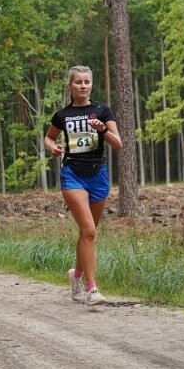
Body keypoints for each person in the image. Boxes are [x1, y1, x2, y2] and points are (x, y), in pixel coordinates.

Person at [44, 65, 122, 306]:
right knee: (88, 230)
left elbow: (118, 144)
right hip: (73, 175)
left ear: (91, 84)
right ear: (70, 86)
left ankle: (75, 275)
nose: (83, 86)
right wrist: (52, 147)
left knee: (88, 234)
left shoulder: (102, 111)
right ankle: (92, 288)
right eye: (78, 82)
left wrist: (102, 131)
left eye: (87, 81)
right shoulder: (62, 115)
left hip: (98, 175)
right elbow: (49, 137)